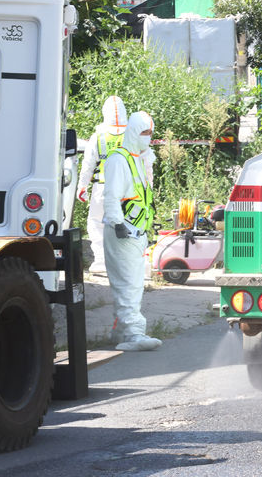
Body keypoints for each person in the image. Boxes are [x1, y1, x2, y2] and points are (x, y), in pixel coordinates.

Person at [102, 111, 162, 351]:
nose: (147, 138)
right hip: (122, 232)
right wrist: (118, 224)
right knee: (128, 285)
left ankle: (122, 332)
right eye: (144, 133)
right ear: (133, 133)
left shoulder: (138, 158)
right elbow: (112, 197)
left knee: (133, 283)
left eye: (150, 133)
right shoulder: (119, 159)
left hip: (136, 233)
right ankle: (134, 334)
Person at [77, 96, 128, 273]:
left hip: (103, 187)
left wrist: (82, 187)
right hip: (127, 189)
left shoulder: (98, 136)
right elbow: (144, 165)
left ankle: (101, 262)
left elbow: (88, 165)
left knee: (96, 223)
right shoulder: (132, 135)